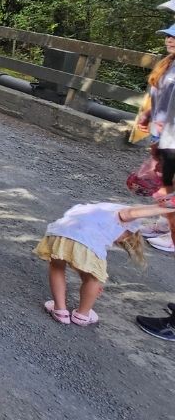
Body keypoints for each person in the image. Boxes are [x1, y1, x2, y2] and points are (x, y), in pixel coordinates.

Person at [35, 200, 175, 325]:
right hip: (81, 238)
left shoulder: (100, 211)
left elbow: (76, 256)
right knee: (94, 279)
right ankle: (82, 314)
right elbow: (131, 213)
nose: (116, 241)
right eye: (121, 239)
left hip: (59, 232)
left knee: (57, 268)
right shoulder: (125, 215)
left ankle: (60, 310)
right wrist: (165, 207)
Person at [136, 23, 175, 251]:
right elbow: (158, 94)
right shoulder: (167, 64)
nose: (169, 40)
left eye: (174, 37)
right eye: (168, 36)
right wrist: (147, 114)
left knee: (170, 185)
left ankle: (173, 237)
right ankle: (163, 225)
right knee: (164, 182)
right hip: (161, 132)